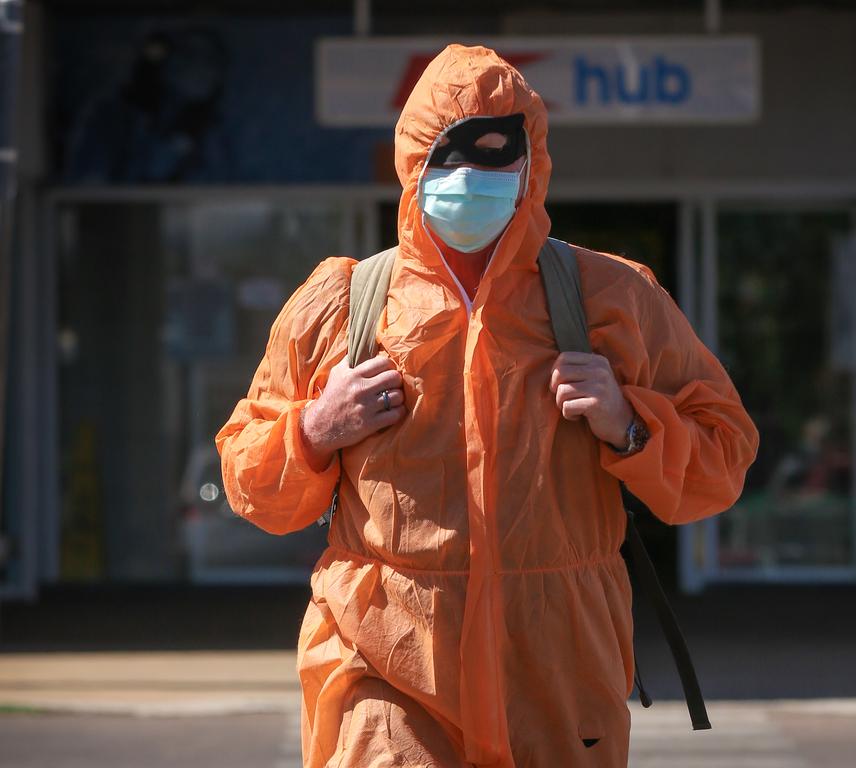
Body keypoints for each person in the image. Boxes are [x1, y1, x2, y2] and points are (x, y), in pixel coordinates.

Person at [216, 44, 759, 768]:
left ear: (532, 163)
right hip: (384, 657)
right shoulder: (343, 305)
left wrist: (628, 423)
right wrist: (316, 428)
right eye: (448, 154)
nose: (470, 178)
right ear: (413, 163)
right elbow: (252, 486)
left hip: (558, 667)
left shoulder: (611, 300)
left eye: (495, 152)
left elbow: (720, 462)